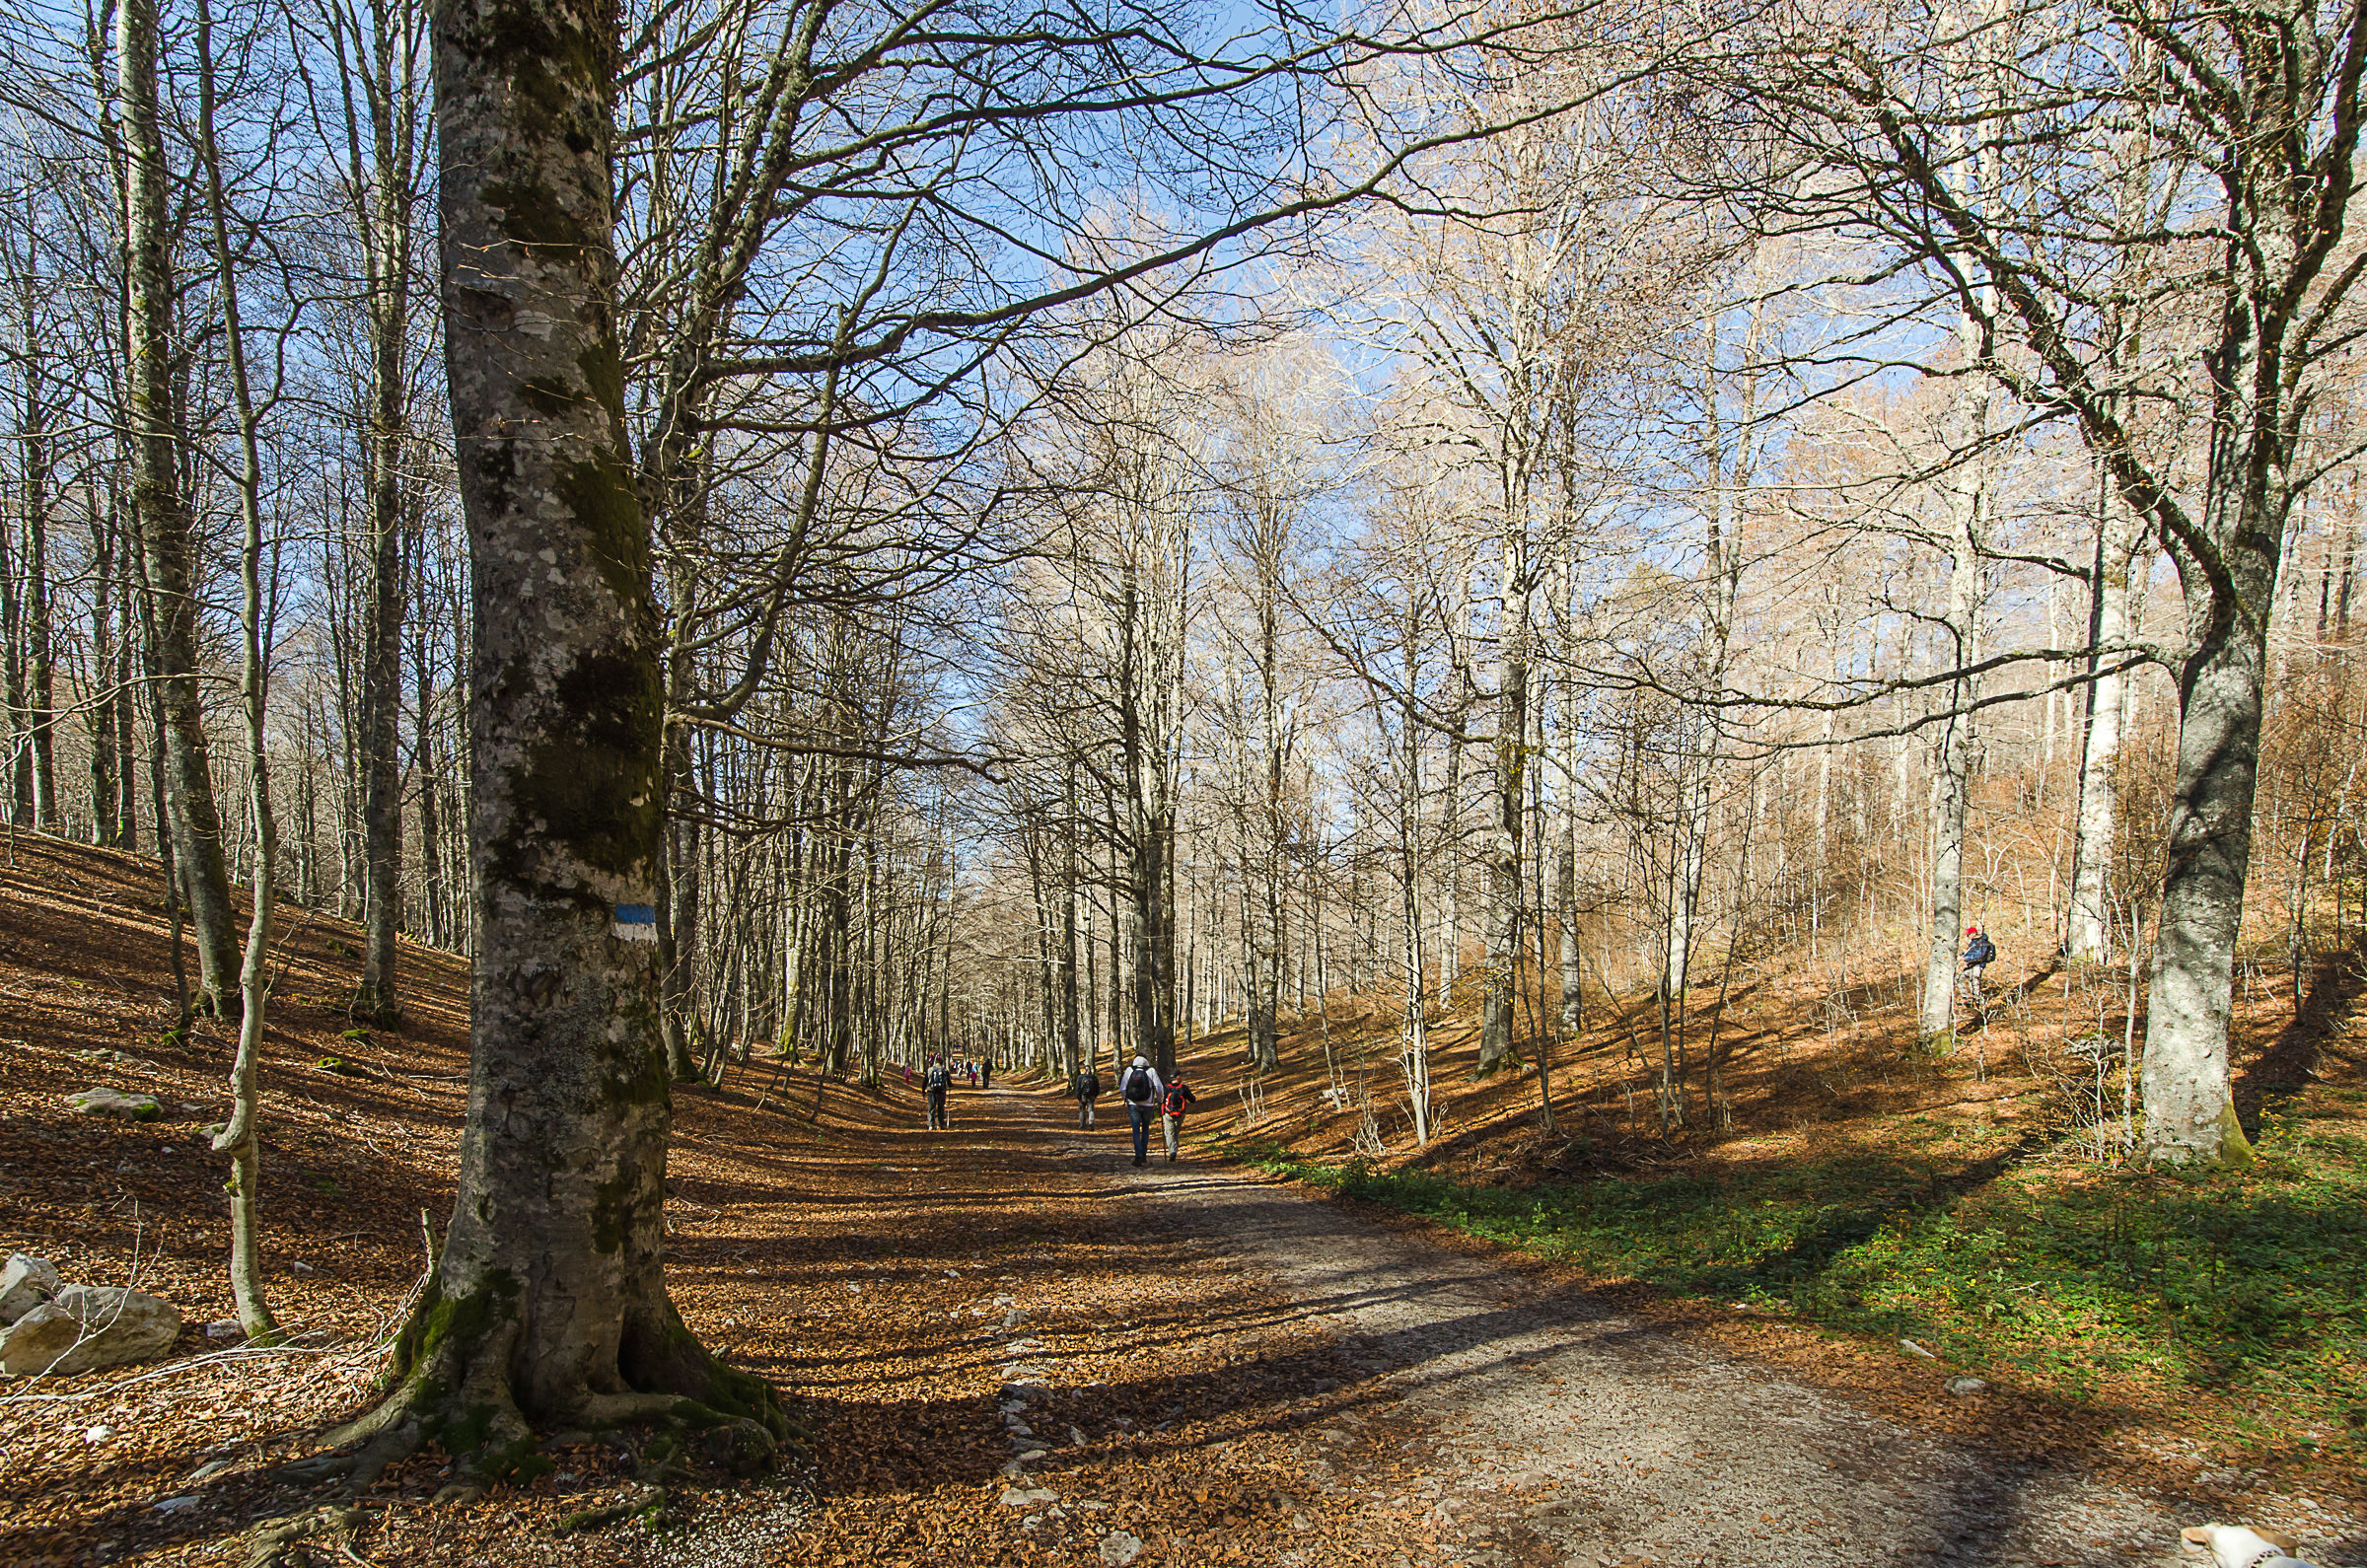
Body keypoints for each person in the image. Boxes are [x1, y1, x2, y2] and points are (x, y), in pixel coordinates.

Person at [1116, 1054, 1164, 1168]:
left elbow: (1123, 1088)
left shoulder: (1129, 1070)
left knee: (1136, 1131)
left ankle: (1138, 1156)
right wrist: (1160, 1100)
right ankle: (1143, 1155)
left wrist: (1126, 1099)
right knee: (1146, 1130)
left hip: (1133, 1104)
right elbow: (1159, 1087)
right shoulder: (1151, 1071)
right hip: (1148, 1104)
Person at [1159, 1072, 1197, 1163]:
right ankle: (1174, 1149)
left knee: (1169, 1133)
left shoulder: (1166, 1088)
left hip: (1168, 1114)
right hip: (1181, 1114)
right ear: (1178, 1077)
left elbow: (1160, 1099)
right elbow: (1193, 1099)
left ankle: (1172, 1150)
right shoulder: (1183, 1088)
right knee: (1176, 1132)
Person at [1962, 923, 1996, 999]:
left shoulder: (1981, 942)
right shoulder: (1974, 942)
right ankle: (1968, 998)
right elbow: (1972, 953)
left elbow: (1978, 955)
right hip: (1972, 965)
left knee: (1975, 982)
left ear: (1973, 933)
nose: (1968, 936)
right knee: (1961, 978)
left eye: (1968, 934)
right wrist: (1962, 955)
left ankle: (1977, 999)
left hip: (1978, 965)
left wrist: (1965, 958)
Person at [923, 1055, 951, 1130]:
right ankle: (939, 1124)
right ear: (942, 1063)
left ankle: (931, 1125)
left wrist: (923, 1091)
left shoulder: (930, 1070)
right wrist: (950, 1086)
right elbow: (949, 1083)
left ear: (935, 1062)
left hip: (931, 1091)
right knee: (940, 1107)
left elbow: (925, 1081)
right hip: (941, 1091)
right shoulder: (945, 1070)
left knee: (931, 1107)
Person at [1075, 1063, 1101, 1128]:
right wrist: (1095, 1095)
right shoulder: (1094, 1077)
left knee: (1082, 1110)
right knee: (1091, 1109)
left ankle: (1082, 1124)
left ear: (1084, 1070)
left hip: (1082, 1096)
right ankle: (1091, 1122)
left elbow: (1077, 1088)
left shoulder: (1080, 1077)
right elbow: (1097, 1088)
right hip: (1091, 1096)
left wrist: (1078, 1097)